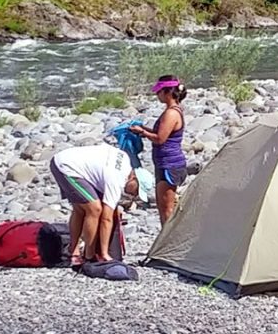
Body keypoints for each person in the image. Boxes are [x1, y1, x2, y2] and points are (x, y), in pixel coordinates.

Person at [48, 141, 140, 269]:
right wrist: (104, 253)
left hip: (68, 160)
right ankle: (89, 255)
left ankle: (73, 251)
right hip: (65, 167)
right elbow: (106, 219)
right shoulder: (117, 179)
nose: (134, 195)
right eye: (136, 191)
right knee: (94, 209)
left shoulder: (124, 161)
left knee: (80, 209)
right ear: (134, 179)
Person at [139, 76, 190, 222]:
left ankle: (168, 239)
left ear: (167, 92)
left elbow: (160, 139)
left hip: (170, 164)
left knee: (166, 208)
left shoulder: (171, 113)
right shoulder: (173, 110)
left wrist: (142, 132)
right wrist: (143, 128)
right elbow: (162, 133)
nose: (157, 95)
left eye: (159, 91)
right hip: (165, 163)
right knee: (163, 206)